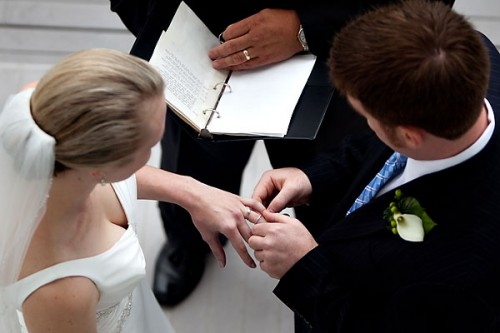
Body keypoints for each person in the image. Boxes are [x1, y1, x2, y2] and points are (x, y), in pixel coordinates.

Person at [109, 0, 456, 309]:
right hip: (198, 54)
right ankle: (187, 243)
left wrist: (305, 28)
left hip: (327, 65)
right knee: (190, 163)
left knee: (327, 190)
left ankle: (320, 262)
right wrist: (158, 25)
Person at [245, 1, 500, 331]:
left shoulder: (464, 275)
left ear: (409, 135)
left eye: (368, 118)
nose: (365, 124)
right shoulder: (469, 58)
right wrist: (311, 177)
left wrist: (303, 267)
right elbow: (374, 147)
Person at [0, 48, 260, 333]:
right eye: (150, 146)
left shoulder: (39, 112)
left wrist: (192, 192)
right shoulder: (61, 294)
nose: (155, 150)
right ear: (101, 168)